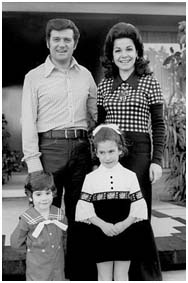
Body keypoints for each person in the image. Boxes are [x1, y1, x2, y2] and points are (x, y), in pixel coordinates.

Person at [21, 18, 97, 279]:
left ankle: (79, 275)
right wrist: (34, 166)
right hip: (48, 149)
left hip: (80, 149)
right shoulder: (34, 77)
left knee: (81, 216)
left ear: (74, 44)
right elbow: (27, 121)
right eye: (56, 39)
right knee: (46, 219)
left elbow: (95, 114)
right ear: (48, 42)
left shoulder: (86, 75)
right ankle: (47, 277)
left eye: (67, 39)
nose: (61, 44)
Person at [97, 22, 165, 280]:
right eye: (117, 50)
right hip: (111, 153)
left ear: (137, 51)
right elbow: (100, 127)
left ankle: (145, 275)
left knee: (138, 211)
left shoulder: (149, 82)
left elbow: (159, 125)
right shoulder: (104, 85)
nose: (123, 54)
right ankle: (118, 274)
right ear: (111, 55)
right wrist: (99, 160)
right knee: (114, 210)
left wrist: (156, 160)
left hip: (139, 153)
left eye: (129, 48)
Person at [72, 124, 162, 281]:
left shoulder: (130, 176)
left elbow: (138, 206)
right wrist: (103, 225)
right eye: (102, 152)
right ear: (96, 153)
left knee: (122, 275)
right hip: (100, 232)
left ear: (120, 150)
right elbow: (84, 208)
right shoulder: (91, 178)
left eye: (111, 151)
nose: (107, 157)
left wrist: (123, 225)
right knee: (104, 275)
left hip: (125, 231)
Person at [10, 172, 68, 281]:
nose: (44, 198)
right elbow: (16, 243)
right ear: (30, 196)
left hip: (57, 267)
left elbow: (64, 237)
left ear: (53, 193)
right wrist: (32, 250)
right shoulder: (27, 218)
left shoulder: (59, 214)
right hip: (37, 269)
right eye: (38, 194)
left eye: (47, 193)